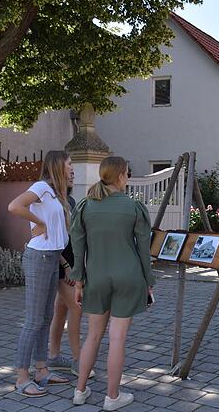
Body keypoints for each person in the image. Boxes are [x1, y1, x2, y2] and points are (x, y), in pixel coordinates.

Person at [69, 156, 155, 411]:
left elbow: (77, 248)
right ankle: (112, 397)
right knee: (117, 339)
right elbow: (143, 251)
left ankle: (80, 391)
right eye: (127, 173)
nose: (128, 178)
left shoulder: (85, 206)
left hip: (96, 277)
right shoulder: (134, 207)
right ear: (120, 176)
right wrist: (149, 282)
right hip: (128, 277)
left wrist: (78, 282)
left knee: (92, 336)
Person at [8, 151, 73, 397]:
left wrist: (65, 264)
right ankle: (22, 377)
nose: (72, 169)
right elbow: (14, 206)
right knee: (34, 320)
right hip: (38, 259)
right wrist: (40, 223)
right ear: (58, 166)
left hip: (52, 258)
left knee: (46, 318)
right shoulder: (41, 187)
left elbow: (57, 238)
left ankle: (42, 370)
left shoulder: (54, 193)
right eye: (69, 165)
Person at [46, 175, 96, 379]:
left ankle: (54, 356)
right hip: (60, 262)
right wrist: (67, 267)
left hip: (70, 261)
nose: (73, 174)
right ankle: (78, 360)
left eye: (74, 170)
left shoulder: (72, 200)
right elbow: (50, 237)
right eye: (69, 169)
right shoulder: (51, 201)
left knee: (61, 309)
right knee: (77, 307)